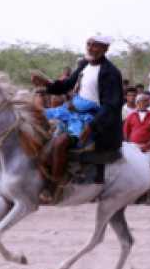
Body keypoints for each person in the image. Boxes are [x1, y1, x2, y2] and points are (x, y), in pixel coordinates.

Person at [31, 35, 123, 202]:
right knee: (36, 120)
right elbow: (65, 86)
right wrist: (47, 84)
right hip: (72, 111)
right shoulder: (84, 65)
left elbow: (111, 105)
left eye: (95, 46)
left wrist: (92, 126)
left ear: (105, 49)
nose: (90, 48)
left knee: (60, 143)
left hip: (92, 117)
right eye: (89, 44)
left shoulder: (111, 73)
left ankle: (54, 187)